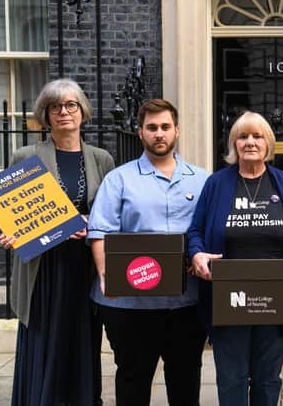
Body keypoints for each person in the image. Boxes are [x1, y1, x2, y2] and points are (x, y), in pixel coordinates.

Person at [0, 78, 115, 405]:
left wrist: (91, 223)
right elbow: (13, 210)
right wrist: (11, 232)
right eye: (55, 106)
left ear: (82, 111)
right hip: (42, 267)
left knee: (81, 339)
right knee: (43, 339)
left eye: (70, 105)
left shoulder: (101, 159)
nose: (64, 112)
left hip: (83, 265)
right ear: (46, 114)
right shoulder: (25, 155)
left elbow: (110, 213)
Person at [88, 99, 209, 406]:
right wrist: (106, 276)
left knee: (185, 379)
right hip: (130, 304)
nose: (159, 134)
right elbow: (100, 232)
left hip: (187, 302)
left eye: (165, 127)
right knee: (132, 380)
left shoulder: (202, 179)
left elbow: (211, 232)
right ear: (140, 132)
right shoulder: (119, 179)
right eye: (152, 127)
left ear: (177, 130)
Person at [187, 111, 283, 406]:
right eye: (243, 136)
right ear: (234, 144)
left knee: (268, 379)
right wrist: (197, 254)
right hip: (227, 298)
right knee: (232, 378)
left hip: (275, 298)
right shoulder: (217, 183)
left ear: (268, 144)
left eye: (257, 136)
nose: (250, 142)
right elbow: (196, 231)